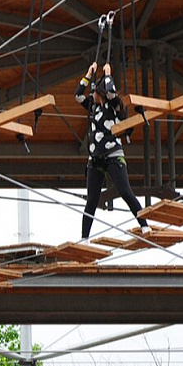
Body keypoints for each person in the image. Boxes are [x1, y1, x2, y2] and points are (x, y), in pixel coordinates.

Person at [74, 61, 148, 240]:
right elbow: (77, 95)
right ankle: (85, 238)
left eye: (94, 92)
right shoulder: (93, 106)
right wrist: (88, 74)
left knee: (125, 191)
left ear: (101, 94)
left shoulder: (114, 106)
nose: (91, 94)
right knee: (92, 199)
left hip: (113, 155)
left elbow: (112, 92)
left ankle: (144, 225)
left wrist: (108, 75)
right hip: (95, 159)